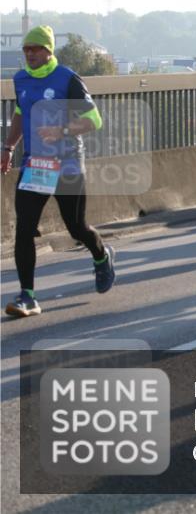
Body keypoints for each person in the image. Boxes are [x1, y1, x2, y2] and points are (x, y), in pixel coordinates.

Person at [1, 25, 117, 317]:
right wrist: (8, 148)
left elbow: (93, 120)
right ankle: (28, 295)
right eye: (26, 49)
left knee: (76, 226)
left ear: (48, 51)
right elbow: (20, 112)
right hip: (35, 164)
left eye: (35, 49)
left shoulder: (67, 78)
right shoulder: (21, 79)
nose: (29, 54)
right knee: (25, 227)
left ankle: (101, 256)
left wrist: (61, 130)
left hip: (67, 161)